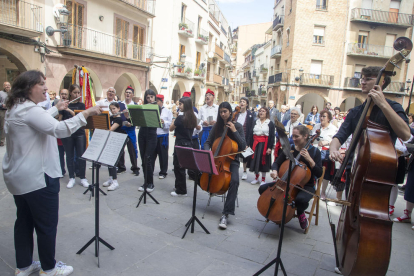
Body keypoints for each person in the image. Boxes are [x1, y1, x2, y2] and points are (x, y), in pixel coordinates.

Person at [3, 70, 101, 276]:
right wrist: (86, 113)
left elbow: (37, 119)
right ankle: (49, 269)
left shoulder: (17, 108)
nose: (46, 88)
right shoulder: (30, 110)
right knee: (46, 224)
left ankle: (24, 266)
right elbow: (59, 129)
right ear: (29, 88)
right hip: (38, 178)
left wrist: (56, 108)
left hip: (19, 178)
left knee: (24, 222)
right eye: (41, 84)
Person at [330, 66, 411, 199]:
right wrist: (333, 149)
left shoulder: (394, 108)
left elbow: (406, 134)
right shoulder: (356, 112)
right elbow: (339, 136)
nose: (362, 82)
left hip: (380, 173)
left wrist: (383, 104)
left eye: (368, 79)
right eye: (362, 79)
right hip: (354, 170)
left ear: (382, 81)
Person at [261, 125, 322, 229]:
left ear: (305, 136)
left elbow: (319, 173)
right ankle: (278, 211)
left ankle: (300, 212)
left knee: (301, 200)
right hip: (285, 182)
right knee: (262, 189)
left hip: (305, 185)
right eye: (292, 136)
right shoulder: (290, 149)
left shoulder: (315, 152)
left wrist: (310, 160)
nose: (293, 139)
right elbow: (276, 163)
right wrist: (275, 171)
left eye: (296, 136)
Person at [204, 102, 246, 229]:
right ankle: (211, 188)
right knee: (198, 172)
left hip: (232, 160)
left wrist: (233, 130)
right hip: (216, 159)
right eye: (221, 112)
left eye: (225, 112)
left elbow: (243, 145)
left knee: (234, 182)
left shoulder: (237, 126)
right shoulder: (217, 125)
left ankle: (226, 213)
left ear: (230, 112)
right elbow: (208, 142)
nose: (223, 114)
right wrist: (208, 153)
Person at [59, 84, 90, 189]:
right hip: (68, 133)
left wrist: (68, 109)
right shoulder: (65, 104)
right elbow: (60, 119)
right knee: (69, 155)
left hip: (79, 133)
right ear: (70, 93)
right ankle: (71, 177)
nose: (77, 94)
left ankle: (83, 177)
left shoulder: (81, 105)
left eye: (78, 92)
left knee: (81, 155)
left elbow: (79, 117)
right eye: (75, 92)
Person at [169, 97, 198, 196]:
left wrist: (174, 117)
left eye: (180, 104)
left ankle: (181, 190)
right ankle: (179, 186)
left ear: (185, 105)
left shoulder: (180, 118)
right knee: (181, 167)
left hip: (180, 144)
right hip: (189, 143)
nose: (179, 106)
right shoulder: (193, 117)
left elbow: (171, 128)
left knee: (178, 167)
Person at [311, 110, 338, 201]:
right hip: (316, 151)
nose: (321, 118)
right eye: (321, 116)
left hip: (325, 153)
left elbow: (336, 141)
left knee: (325, 174)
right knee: (314, 170)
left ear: (329, 118)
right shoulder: (317, 126)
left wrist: (327, 142)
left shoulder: (333, 128)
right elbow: (312, 137)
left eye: (324, 116)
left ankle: (322, 191)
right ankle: (313, 189)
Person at [137, 89, 159, 193]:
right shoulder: (142, 108)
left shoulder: (157, 107)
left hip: (151, 135)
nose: (150, 99)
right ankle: (145, 181)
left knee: (148, 158)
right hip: (142, 134)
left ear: (155, 97)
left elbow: (158, 122)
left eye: (151, 97)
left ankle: (151, 183)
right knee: (143, 159)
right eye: (148, 97)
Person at [101, 102, 127, 191]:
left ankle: (115, 182)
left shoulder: (119, 119)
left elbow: (110, 129)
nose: (113, 111)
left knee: (113, 161)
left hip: (118, 141)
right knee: (109, 160)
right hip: (110, 140)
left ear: (118, 109)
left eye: (114, 109)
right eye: (111, 109)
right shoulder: (111, 117)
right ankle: (111, 178)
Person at [249, 107, 275, 185]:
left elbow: (272, 136)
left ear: (266, 113)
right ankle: (256, 178)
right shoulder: (255, 122)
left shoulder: (270, 123)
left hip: (265, 144)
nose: (261, 112)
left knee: (263, 161)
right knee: (255, 161)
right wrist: (248, 145)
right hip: (255, 143)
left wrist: (270, 147)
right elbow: (251, 134)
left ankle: (263, 180)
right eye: (260, 111)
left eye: (263, 111)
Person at [180, 91, 202, 181]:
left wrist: (198, 127)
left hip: (194, 138)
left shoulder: (195, 114)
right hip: (184, 139)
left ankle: (192, 173)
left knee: (194, 158)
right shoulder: (180, 114)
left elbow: (200, 128)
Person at [119, 86, 140, 175]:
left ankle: (135, 167)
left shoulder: (135, 105)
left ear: (132, 95)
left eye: (129, 93)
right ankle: (121, 167)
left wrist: (132, 123)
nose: (127, 94)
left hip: (131, 130)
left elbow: (138, 118)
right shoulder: (119, 104)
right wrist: (124, 123)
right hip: (121, 129)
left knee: (132, 149)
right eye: (126, 92)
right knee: (120, 149)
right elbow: (117, 118)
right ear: (124, 94)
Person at [152, 94, 173, 179]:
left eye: (157, 101)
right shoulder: (153, 110)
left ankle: (163, 172)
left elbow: (171, 123)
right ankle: (151, 170)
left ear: (161, 101)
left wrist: (164, 122)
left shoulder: (167, 111)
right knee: (152, 154)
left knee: (163, 155)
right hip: (153, 135)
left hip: (163, 136)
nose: (156, 103)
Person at [236, 97, 254, 180]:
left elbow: (250, 130)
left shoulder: (250, 114)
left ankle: (244, 171)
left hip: (245, 137)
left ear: (247, 104)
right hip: (236, 137)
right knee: (234, 154)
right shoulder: (236, 113)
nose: (242, 103)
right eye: (241, 101)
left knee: (245, 156)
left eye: (244, 102)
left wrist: (248, 143)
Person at [0, 81, 11, 146]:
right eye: (6, 85)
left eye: (8, 85)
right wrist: (2, 105)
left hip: (10, 111)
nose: (7, 86)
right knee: (2, 126)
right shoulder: (0, 93)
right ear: (3, 86)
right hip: (2, 111)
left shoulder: (12, 93)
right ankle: (1, 140)